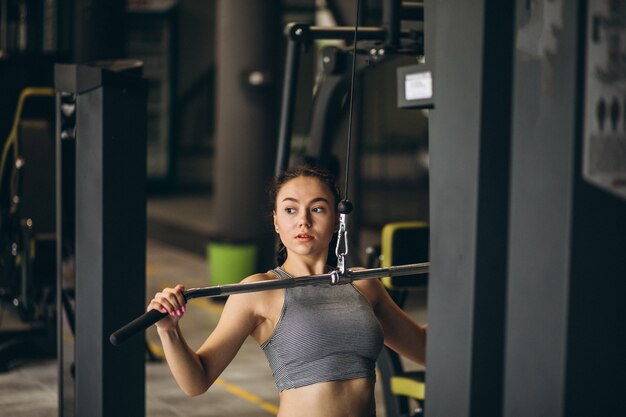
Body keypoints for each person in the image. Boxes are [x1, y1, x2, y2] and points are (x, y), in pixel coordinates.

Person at [147, 165, 427, 417]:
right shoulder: (258, 291)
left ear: (338, 219)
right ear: (276, 221)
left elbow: (425, 348)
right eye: (290, 210)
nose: (303, 220)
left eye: (317, 208)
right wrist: (168, 330)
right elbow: (197, 381)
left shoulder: (364, 284)